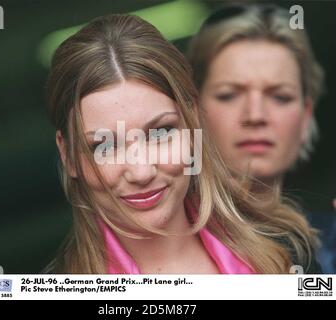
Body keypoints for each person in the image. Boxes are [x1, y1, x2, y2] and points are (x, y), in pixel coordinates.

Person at [45, 14, 319, 274]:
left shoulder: (291, 253)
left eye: (160, 132)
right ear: (68, 155)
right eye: (105, 146)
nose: (142, 172)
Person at [187, 3, 333, 272]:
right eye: (229, 94)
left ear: (305, 117)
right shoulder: (161, 238)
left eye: (280, 96)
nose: (256, 115)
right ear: (194, 112)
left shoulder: (325, 249)